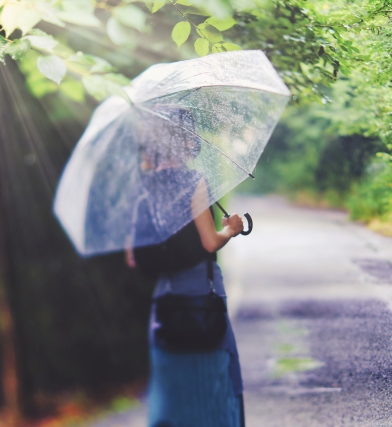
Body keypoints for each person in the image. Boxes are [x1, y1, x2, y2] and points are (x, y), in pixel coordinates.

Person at [124, 108, 246, 427]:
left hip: (165, 298)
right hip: (201, 291)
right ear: (186, 144)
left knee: (171, 387)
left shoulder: (143, 189)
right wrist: (230, 230)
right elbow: (209, 242)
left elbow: (133, 257)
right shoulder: (193, 181)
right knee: (213, 377)